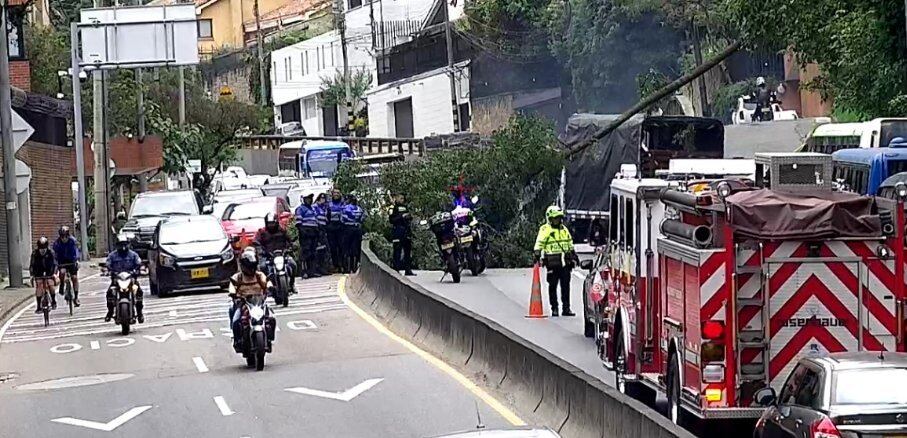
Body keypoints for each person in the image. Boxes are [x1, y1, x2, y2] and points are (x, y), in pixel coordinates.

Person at [534, 206, 578, 317]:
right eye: (555, 218)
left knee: (565, 287)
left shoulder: (564, 229)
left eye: (559, 218)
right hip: (552, 263)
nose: (557, 220)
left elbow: (569, 243)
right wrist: (537, 254)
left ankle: (566, 308)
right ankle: (554, 308)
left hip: (565, 263)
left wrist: (574, 255)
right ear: (549, 219)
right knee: (552, 286)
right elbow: (539, 243)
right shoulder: (545, 229)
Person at [228, 249, 271, 351]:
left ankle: (269, 339)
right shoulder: (237, 277)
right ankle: (238, 341)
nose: (251, 269)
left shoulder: (259, 275)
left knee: (271, 318)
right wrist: (233, 294)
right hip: (243, 304)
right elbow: (232, 286)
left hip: (259, 302)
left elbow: (267, 282)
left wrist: (270, 287)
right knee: (236, 321)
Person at [253, 212, 297, 290]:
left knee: (293, 264)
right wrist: (260, 249)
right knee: (262, 267)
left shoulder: (282, 230)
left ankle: (292, 284)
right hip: (268, 256)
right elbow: (256, 241)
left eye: (273, 223)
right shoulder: (262, 232)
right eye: (269, 224)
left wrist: (292, 245)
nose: (271, 225)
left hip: (283, 254)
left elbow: (290, 239)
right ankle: (266, 287)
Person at [105, 236, 144, 323]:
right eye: (120, 245)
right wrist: (110, 270)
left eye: (125, 244)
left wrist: (137, 270)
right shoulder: (112, 256)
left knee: (139, 292)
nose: (123, 247)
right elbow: (108, 263)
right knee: (109, 294)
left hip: (130, 280)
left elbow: (138, 262)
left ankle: (140, 313)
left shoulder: (133, 255)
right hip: (117, 281)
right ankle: (110, 312)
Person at [53, 226, 81, 307]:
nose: (64, 238)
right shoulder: (57, 243)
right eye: (62, 237)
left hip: (72, 260)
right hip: (62, 261)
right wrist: (56, 264)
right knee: (62, 272)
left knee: (74, 278)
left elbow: (76, 251)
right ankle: (62, 284)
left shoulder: (72, 241)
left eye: (65, 236)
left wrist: (77, 260)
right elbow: (55, 255)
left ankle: (76, 297)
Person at [295, 193, 320, 278]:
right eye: (307, 198)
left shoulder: (313, 209)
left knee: (313, 252)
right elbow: (298, 223)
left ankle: (312, 271)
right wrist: (303, 232)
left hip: (313, 233)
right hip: (305, 233)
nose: (309, 200)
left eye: (310, 198)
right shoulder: (300, 209)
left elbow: (316, 220)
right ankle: (304, 271)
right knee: (305, 252)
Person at [389, 193, 415, 276]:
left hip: (406, 230)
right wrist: (401, 217)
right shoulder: (393, 208)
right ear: (396, 198)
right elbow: (391, 220)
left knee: (407, 251)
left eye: (403, 198)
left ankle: (408, 270)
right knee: (397, 251)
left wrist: (409, 217)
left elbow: (409, 217)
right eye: (400, 198)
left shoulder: (405, 207)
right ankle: (396, 269)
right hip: (397, 231)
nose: (402, 200)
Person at [29, 236, 57, 313]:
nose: (42, 250)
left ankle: (53, 300)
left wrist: (54, 273)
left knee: (50, 284)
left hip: (49, 271)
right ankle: (38, 306)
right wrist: (32, 275)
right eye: (41, 248)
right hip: (38, 272)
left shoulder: (51, 252)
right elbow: (32, 265)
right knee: (39, 286)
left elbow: (55, 264)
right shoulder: (35, 253)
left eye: (44, 248)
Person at [340, 195, 365, 273]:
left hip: (347, 229)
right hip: (357, 229)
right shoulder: (359, 209)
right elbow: (362, 218)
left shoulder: (345, 208)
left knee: (346, 249)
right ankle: (354, 267)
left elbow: (342, 219)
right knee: (355, 248)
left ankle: (346, 268)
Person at [326, 188, 345, 271]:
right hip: (331, 228)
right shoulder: (329, 205)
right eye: (335, 193)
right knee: (333, 248)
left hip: (341, 228)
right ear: (332, 194)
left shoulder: (343, 204)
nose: (336, 194)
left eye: (338, 193)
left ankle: (342, 265)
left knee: (341, 247)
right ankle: (335, 265)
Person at [314, 193, 331, 275]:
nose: (323, 200)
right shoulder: (315, 207)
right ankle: (318, 268)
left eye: (324, 198)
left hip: (324, 230)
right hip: (317, 230)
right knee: (319, 250)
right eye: (321, 198)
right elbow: (315, 218)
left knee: (325, 250)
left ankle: (324, 268)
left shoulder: (325, 208)